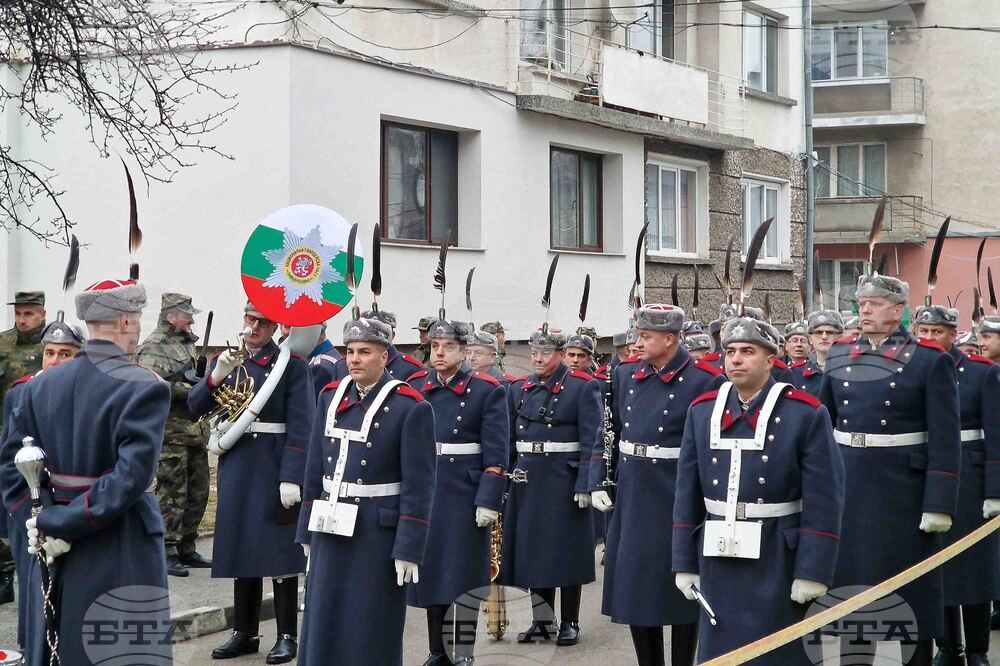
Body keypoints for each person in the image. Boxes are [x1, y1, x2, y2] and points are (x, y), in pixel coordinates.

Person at [0, 278, 173, 666]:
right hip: (120, 544)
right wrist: (61, 521)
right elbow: (130, 478)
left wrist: (43, 517)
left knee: (62, 649)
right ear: (127, 321)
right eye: (138, 319)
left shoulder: (37, 387)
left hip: (51, 546)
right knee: (123, 654)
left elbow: (12, 470)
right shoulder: (144, 387)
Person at [673, 315, 845, 664]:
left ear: (770, 360)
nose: (735, 359)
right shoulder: (702, 412)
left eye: (747, 351)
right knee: (722, 651)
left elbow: (824, 498)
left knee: (776, 652)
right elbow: (686, 492)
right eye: (730, 351)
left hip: (777, 553)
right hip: (717, 553)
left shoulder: (805, 414)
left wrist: (813, 570)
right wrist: (683, 561)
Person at [820, 274, 960, 665]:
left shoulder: (930, 360)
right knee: (852, 592)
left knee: (909, 592)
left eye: (875, 304)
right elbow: (822, 426)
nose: (864, 310)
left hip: (903, 491)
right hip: (849, 485)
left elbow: (945, 438)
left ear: (897, 311)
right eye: (861, 304)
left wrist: (939, 504)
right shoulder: (838, 354)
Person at [296, 316, 436, 665]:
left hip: (376, 534)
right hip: (330, 527)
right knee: (324, 616)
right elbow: (314, 467)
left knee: (369, 623)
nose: (354, 359)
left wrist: (410, 548)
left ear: (384, 357)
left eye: (365, 352)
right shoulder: (331, 396)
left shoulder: (410, 406)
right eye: (350, 352)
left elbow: (420, 485)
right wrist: (306, 531)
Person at [592, 305, 724, 666]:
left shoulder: (705, 379)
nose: (637, 343)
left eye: (646, 337)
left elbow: (712, 445)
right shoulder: (624, 375)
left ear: (670, 339)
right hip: (633, 488)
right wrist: (598, 479)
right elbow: (608, 432)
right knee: (636, 587)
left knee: (681, 585)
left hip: (677, 489)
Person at [188, 301, 314, 663]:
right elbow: (194, 408)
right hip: (238, 462)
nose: (255, 326)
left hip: (273, 465)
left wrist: (292, 476)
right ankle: (245, 632)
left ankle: (287, 634)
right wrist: (214, 376)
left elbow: (302, 426)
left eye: (264, 321)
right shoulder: (228, 359)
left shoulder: (291, 366)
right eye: (250, 318)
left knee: (278, 552)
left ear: (276, 326)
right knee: (242, 546)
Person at [405, 319, 509, 665]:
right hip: (427, 490)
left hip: (464, 493)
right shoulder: (416, 385)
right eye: (434, 346)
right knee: (432, 574)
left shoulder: (486, 389)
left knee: (461, 577)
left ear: (465, 352)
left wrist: (488, 498)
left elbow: (497, 451)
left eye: (447, 347)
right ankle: (437, 649)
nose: (438, 352)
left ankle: (462, 651)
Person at [501, 328, 603, 647]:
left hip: (564, 480)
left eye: (545, 353)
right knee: (535, 553)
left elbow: (593, 438)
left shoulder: (582, 387)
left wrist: (588, 481)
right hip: (528, 480)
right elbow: (510, 439)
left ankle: (570, 621)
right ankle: (542, 621)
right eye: (534, 353)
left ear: (561, 354)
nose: (538, 358)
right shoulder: (522, 388)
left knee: (566, 553)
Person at [913, 306, 1000, 666]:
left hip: (969, 476)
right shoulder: (912, 369)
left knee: (973, 569)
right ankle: (949, 646)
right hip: (928, 475)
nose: (930, 339)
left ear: (953, 334)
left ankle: (978, 649)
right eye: (925, 331)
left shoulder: (982, 373)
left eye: (938, 332)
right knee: (937, 569)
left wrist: (994, 489)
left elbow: (996, 434)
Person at [1, 319, 84, 652]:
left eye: (65, 353)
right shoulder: (21, 392)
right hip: (31, 510)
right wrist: (34, 515)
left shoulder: (88, 395)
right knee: (35, 599)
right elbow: (9, 462)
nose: (55, 359)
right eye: (50, 352)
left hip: (73, 510)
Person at [136, 293, 212, 577]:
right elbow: (151, 387)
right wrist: (193, 390)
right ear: (171, 317)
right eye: (187, 315)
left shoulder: (186, 345)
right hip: (170, 435)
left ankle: (186, 547)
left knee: (198, 491)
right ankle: (166, 550)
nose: (191, 320)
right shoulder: (154, 347)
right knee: (171, 494)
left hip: (194, 432)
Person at [329, 310, 423, 382]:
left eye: (377, 331)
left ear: (392, 335)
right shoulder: (341, 365)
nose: (355, 360)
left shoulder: (410, 367)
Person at [788, 310, 844, 397]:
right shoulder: (796, 373)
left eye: (829, 332)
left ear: (840, 337)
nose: (824, 337)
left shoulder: (852, 370)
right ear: (810, 339)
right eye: (818, 332)